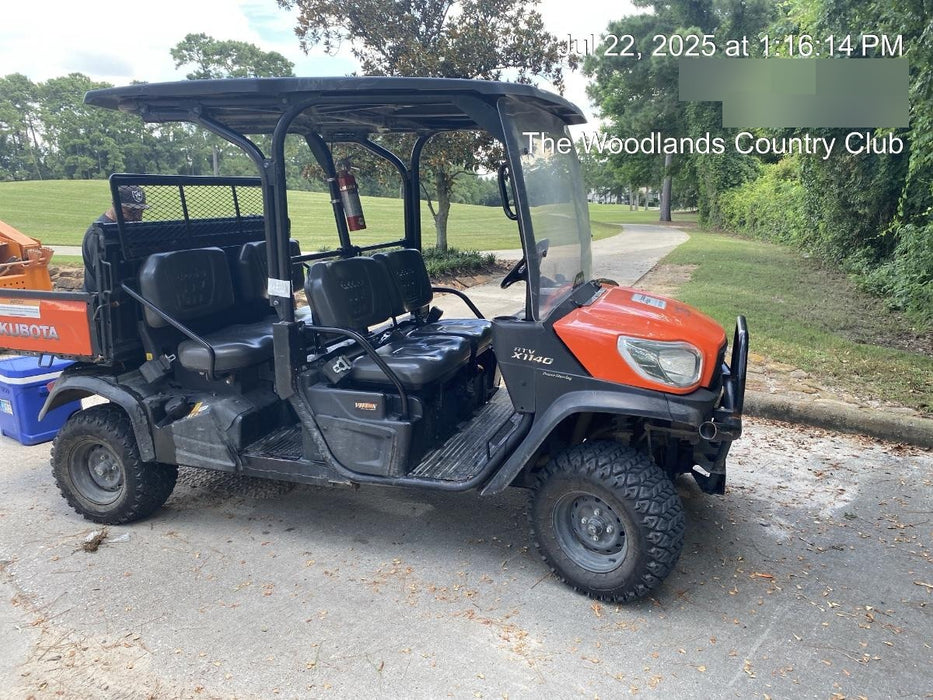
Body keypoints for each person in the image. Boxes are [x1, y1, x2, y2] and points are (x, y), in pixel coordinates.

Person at [82, 185, 149, 292]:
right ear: (114, 205)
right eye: (131, 212)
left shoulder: (129, 229)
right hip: (99, 304)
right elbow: (102, 278)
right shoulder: (97, 233)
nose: (137, 218)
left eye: (140, 212)